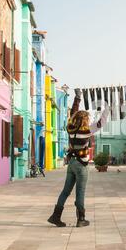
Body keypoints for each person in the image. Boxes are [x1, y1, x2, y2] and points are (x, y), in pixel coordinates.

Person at [48, 88, 108, 227]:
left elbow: (72, 113)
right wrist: (107, 108)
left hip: (72, 164)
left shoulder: (70, 128)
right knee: (80, 192)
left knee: (65, 192)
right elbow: (101, 122)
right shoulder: (87, 130)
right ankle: (81, 219)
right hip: (81, 166)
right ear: (85, 120)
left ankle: (55, 217)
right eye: (88, 118)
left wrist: (78, 97)